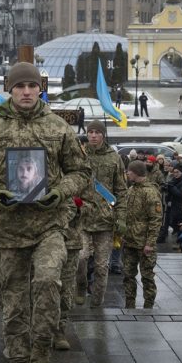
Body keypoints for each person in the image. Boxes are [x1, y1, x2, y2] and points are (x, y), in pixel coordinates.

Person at [0, 62, 90, 363]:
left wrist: (60, 191)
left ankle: (43, 348)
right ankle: (18, 354)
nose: (27, 92)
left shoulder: (58, 126)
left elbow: (82, 171)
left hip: (51, 224)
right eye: (20, 86)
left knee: (47, 280)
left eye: (32, 86)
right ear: (10, 89)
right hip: (9, 228)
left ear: (40, 89)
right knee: (14, 296)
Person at [76, 120, 127, 308]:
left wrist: (121, 217)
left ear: (103, 135)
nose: (93, 136)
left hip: (106, 220)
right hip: (82, 217)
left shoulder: (114, 158)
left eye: (97, 132)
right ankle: (80, 286)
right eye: (90, 132)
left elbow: (121, 190)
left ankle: (97, 301)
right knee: (80, 258)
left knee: (101, 266)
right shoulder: (79, 156)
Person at [122, 160, 163, 309]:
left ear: (136, 173)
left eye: (129, 171)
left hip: (143, 243)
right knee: (128, 275)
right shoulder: (131, 190)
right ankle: (129, 305)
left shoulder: (150, 192)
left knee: (147, 277)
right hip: (129, 241)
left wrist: (150, 243)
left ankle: (148, 306)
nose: (127, 174)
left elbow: (155, 219)